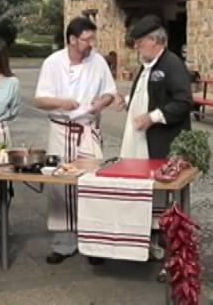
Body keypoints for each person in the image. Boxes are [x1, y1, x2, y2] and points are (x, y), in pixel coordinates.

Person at [33, 16, 117, 265]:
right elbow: (39, 100)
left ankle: (94, 244)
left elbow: (110, 92)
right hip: (60, 129)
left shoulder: (98, 61)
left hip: (87, 129)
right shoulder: (53, 63)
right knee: (60, 186)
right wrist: (62, 102)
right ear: (71, 39)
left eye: (93, 38)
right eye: (86, 39)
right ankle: (64, 243)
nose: (91, 43)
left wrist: (101, 102)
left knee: (92, 184)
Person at [122, 15, 193, 160]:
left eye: (139, 42)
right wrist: (127, 100)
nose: (136, 47)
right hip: (141, 142)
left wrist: (152, 117)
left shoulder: (172, 64)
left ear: (153, 40)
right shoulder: (147, 65)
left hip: (164, 144)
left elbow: (183, 101)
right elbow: (148, 94)